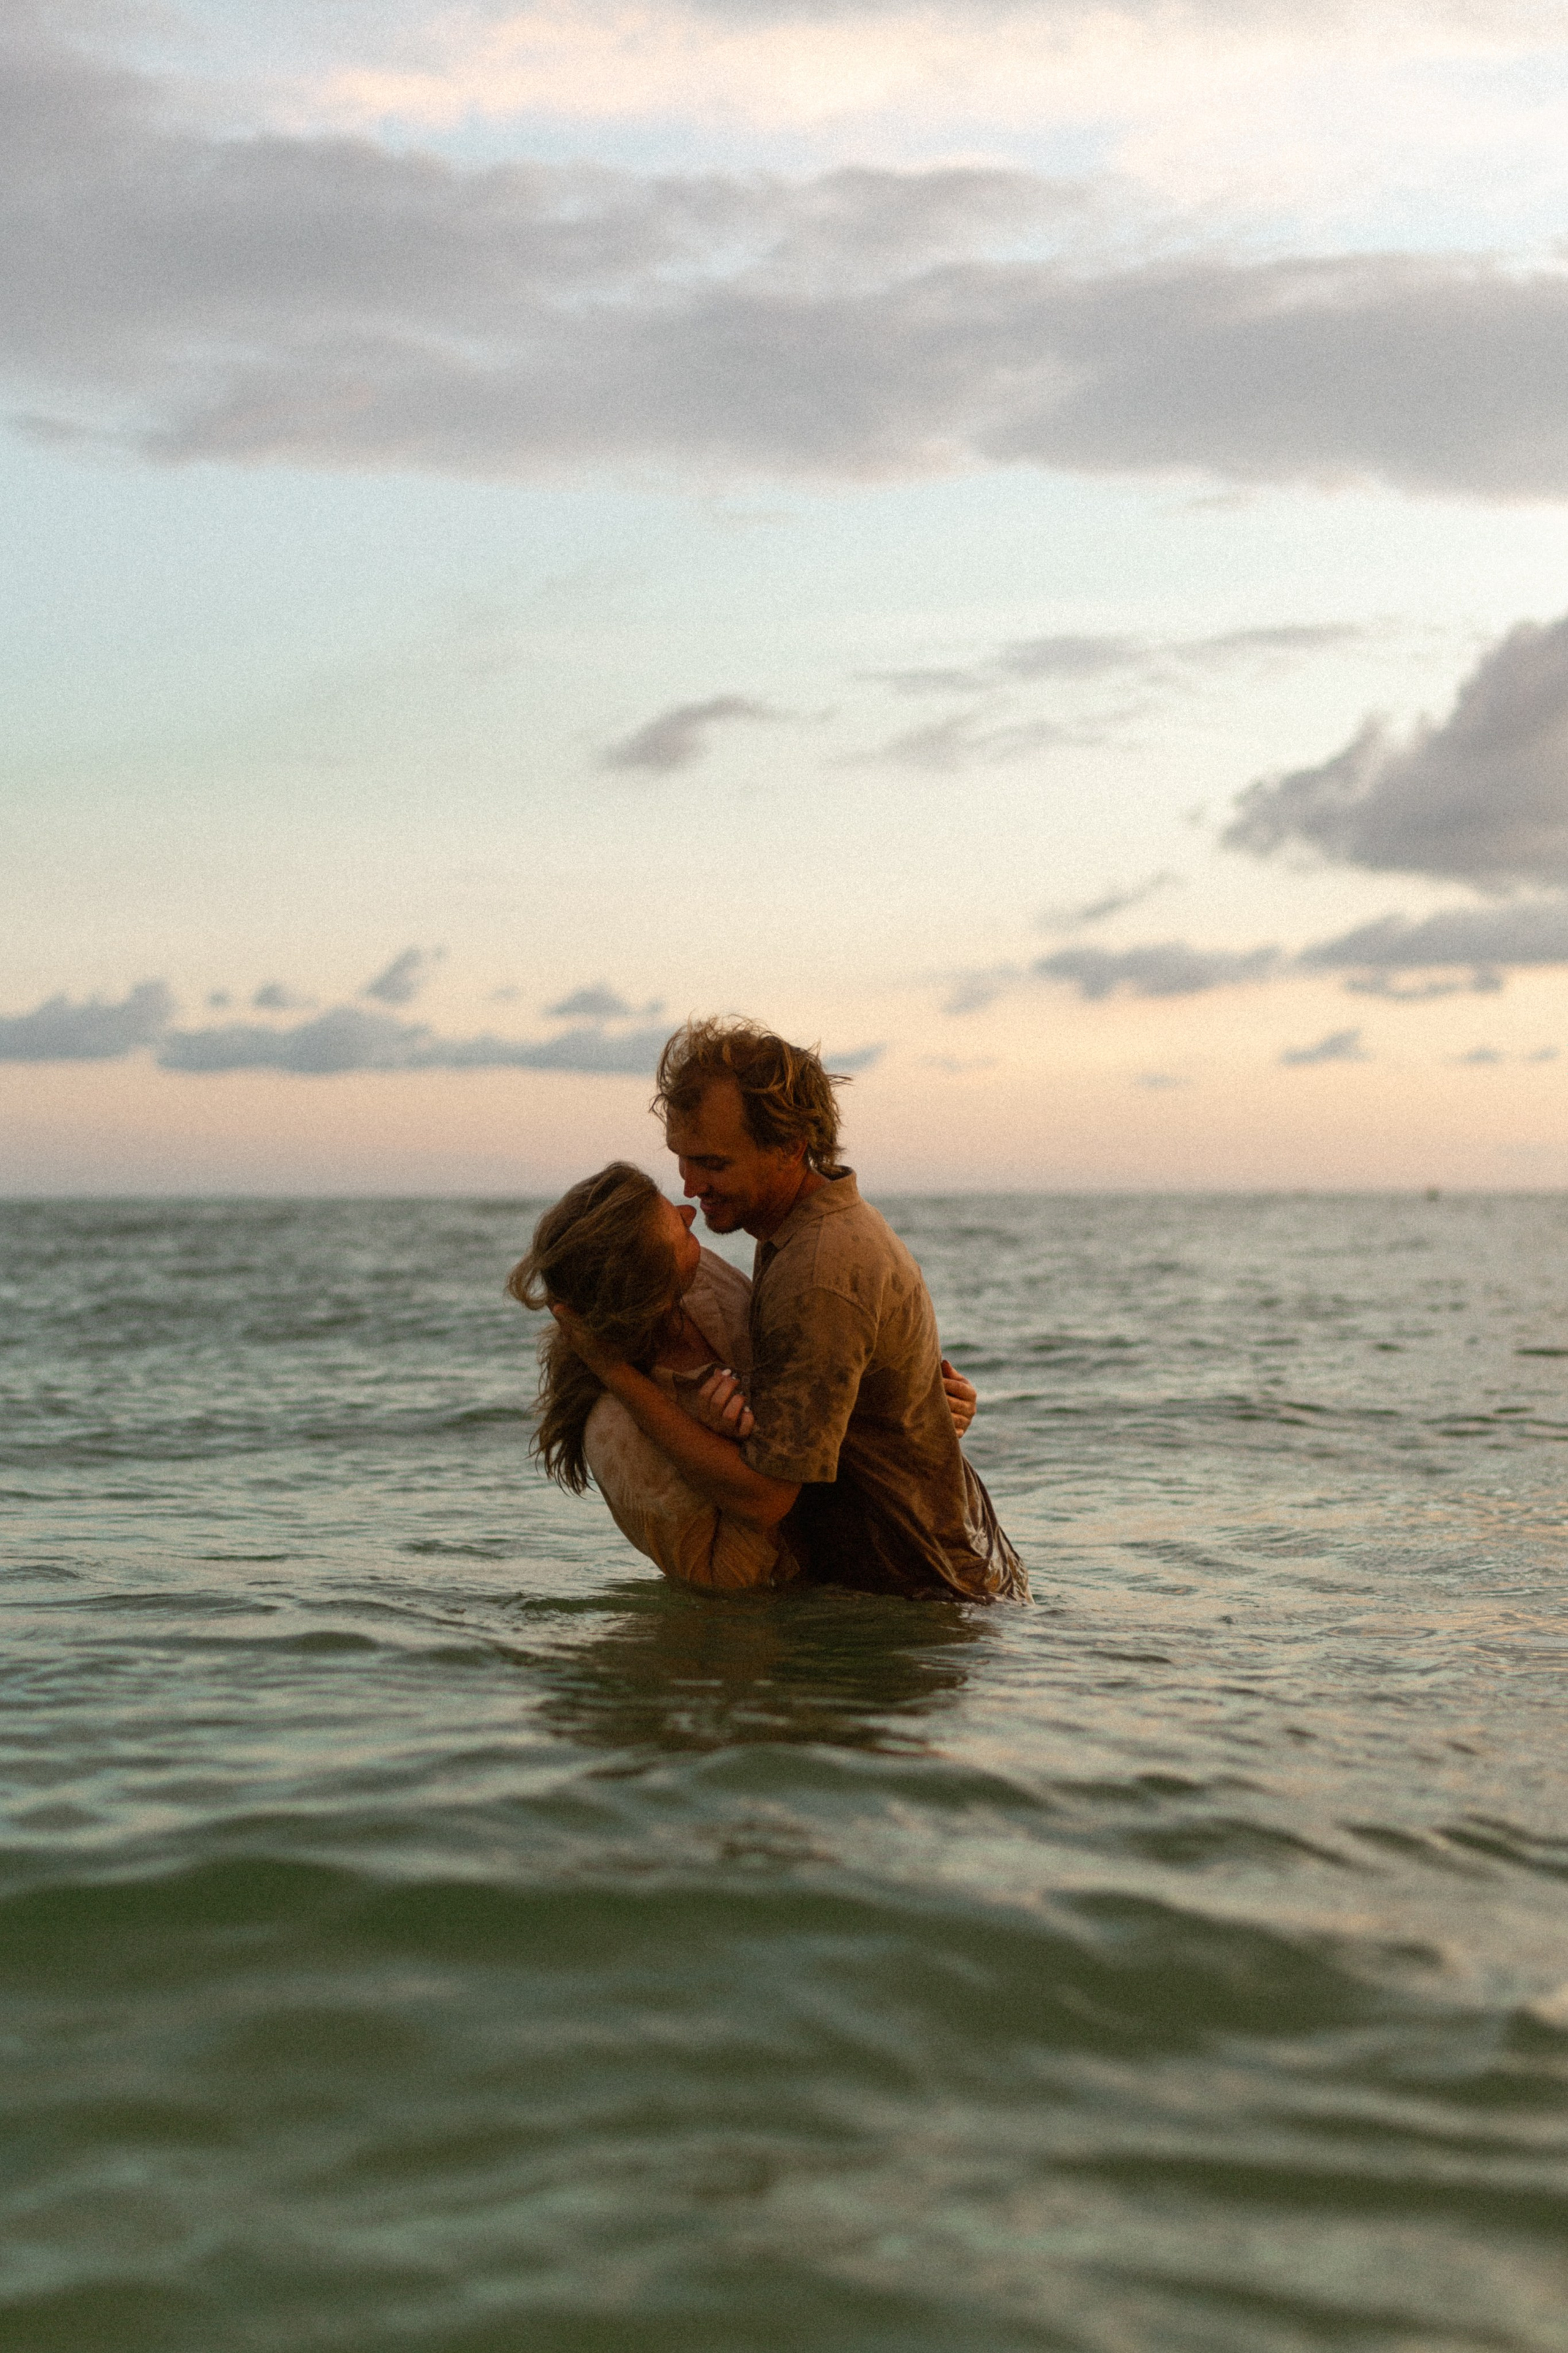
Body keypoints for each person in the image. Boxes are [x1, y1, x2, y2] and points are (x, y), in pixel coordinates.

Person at [535, 1018, 1027, 1604]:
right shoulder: (793, 1231)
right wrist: (916, 1407)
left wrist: (614, 1371)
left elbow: (767, 1497)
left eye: (713, 1163)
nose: (690, 1187)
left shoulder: (816, 1271)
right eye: (682, 1159)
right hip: (928, 1576)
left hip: (919, 1590)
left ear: (790, 1147)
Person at [510, 1160, 979, 1594]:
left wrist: (913, 1402)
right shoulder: (615, 1434)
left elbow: (812, 1368)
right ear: (648, 1292)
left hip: (903, 1535)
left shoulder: (702, 1280)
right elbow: (726, 1588)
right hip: (818, 1608)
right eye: (675, 1227)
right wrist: (727, 1447)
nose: (688, 1212)